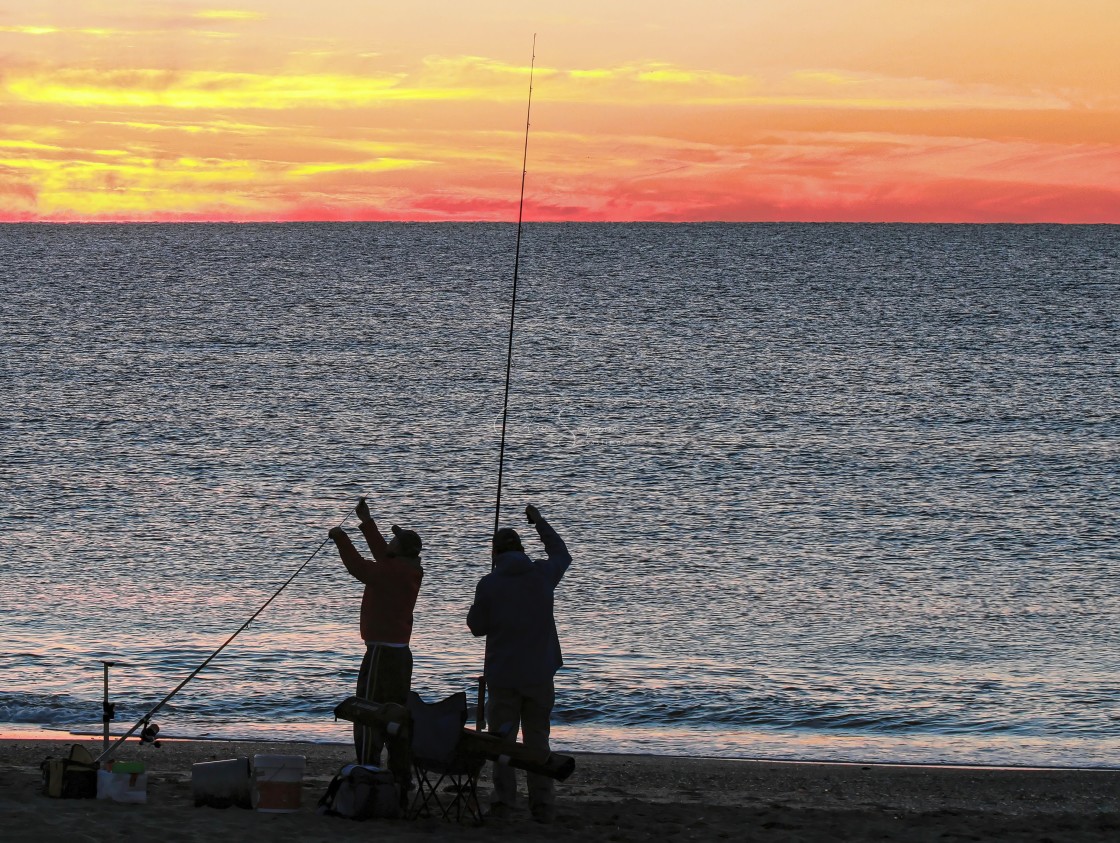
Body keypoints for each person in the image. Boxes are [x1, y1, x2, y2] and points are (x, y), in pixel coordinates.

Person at [467, 504, 572, 823]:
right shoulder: (541, 574)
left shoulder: (489, 584)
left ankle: (503, 803)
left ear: (496, 553)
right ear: (522, 550)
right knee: (538, 740)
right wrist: (539, 521)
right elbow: (561, 553)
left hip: (503, 676)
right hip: (540, 672)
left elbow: (476, 626)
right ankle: (542, 805)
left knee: (503, 742)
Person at [328, 497, 423, 788]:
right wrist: (366, 521)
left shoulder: (390, 571)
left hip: (381, 654)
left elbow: (360, 568)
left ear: (400, 551)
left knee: (369, 711)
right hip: (400, 654)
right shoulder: (409, 569)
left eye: (394, 544)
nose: (389, 548)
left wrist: (340, 538)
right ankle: (399, 773)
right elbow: (385, 555)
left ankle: (368, 766)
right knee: (395, 713)